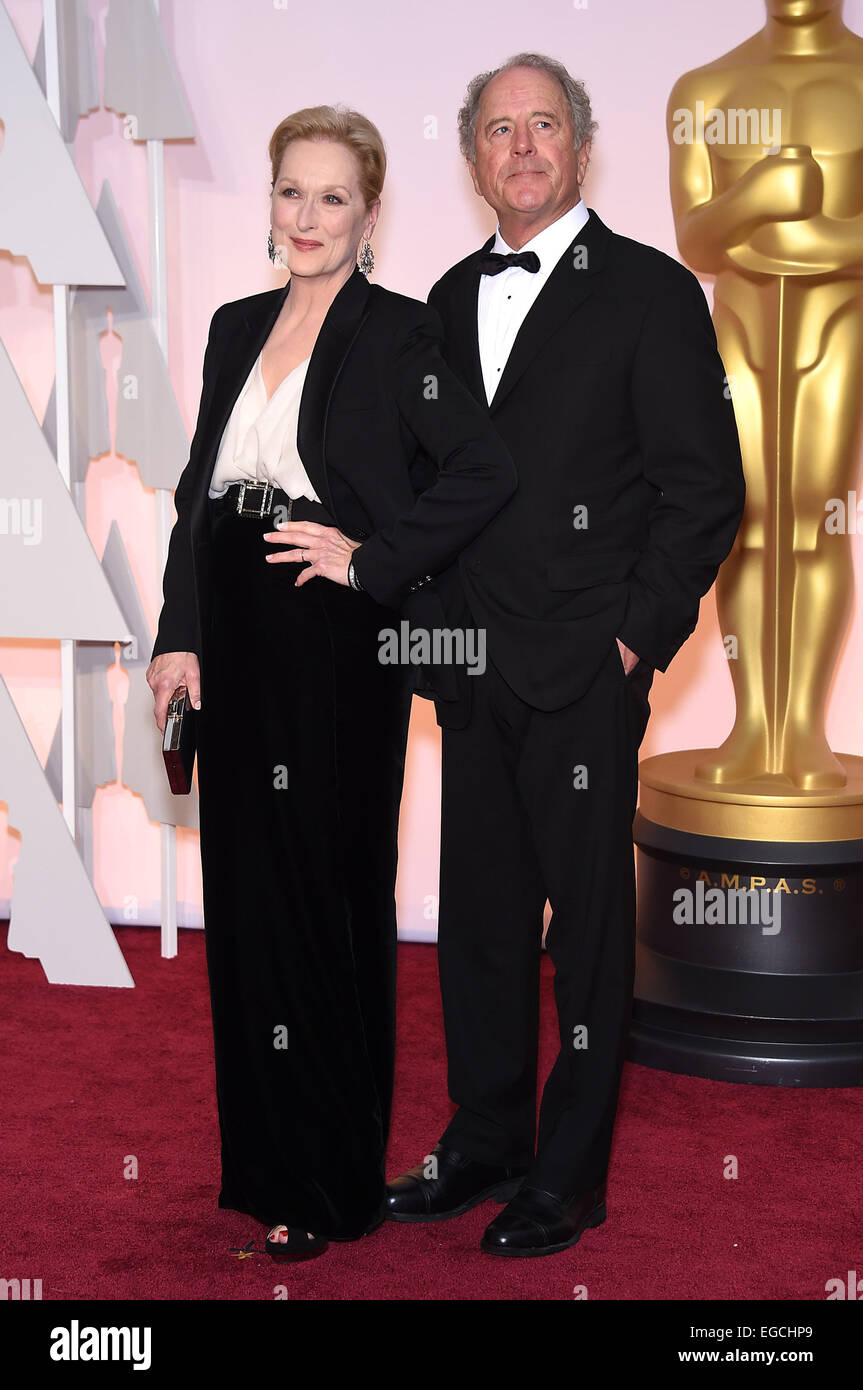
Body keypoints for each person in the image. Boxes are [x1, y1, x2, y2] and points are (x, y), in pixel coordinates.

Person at [385, 53, 746, 1256]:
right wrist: (426, 641)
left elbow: (703, 492)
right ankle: (483, 1137)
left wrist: (634, 639)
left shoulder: (647, 292)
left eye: (543, 124)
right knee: (476, 923)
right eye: (498, 129)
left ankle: (569, 1175)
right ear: (473, 157)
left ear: (581, 145)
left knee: (584, 937)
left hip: (587, 668)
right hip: (469, 672)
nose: (522, 146)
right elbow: (423, 492)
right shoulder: (438, 299)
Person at [146, 105, 516, 1262]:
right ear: (270, 203)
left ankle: (331, 1176)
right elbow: (195, 493)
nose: (305, 218)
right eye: (289, 193)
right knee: (248, 911)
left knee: (324, 902)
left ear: (367, 214)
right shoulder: (231, 326)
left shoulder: (399, 337)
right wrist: (178, 632)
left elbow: (485, 468)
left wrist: (370, 556)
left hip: (331, 643)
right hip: (234, 633)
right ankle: (264, 1170)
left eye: (331, 198)